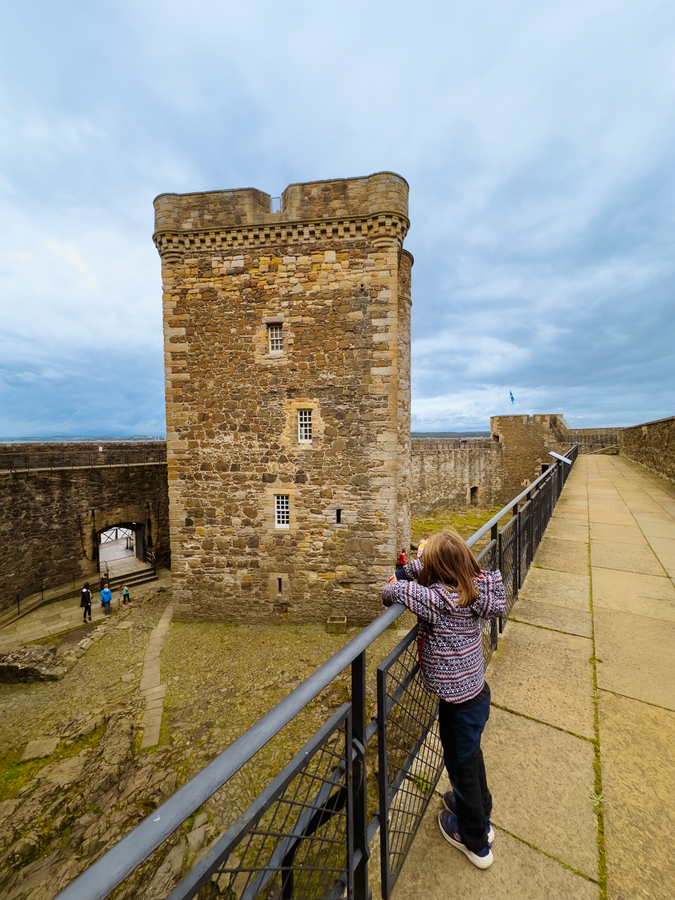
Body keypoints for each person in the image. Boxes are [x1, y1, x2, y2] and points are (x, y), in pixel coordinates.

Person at [381, 529, 505, 870]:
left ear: (437, 570)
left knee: (462, 767)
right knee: (471, 759)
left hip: (459, 703)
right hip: (476, 694)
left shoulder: (437, 600)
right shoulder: (473, 587)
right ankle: (481, 816)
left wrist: (400, 577)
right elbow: (429, 565)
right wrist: (414, 567)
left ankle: (475, 840)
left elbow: (392, 590)